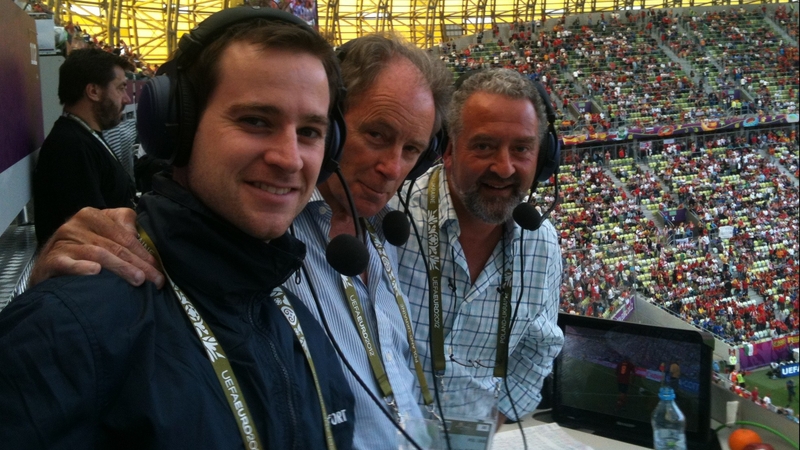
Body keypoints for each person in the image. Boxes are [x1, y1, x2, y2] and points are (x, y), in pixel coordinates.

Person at [27, 33, 453, 450]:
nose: (392, 168)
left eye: (412, 149)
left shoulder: (387, 230)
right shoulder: (254, 226)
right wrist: (57, 282)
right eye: (377, 134)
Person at [0, 10, 355, 449]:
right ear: (176, 127)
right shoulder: (66, 327)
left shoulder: (294, 318)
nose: (290, 158)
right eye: (255, 121)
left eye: (309, 131)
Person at [394, 68, 563, 426]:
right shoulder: (393, 221)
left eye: (522, 149)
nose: (504, 168)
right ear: (449, 149)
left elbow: (540, 345)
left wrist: (495, 421)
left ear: (543, 157)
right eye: (484, 146)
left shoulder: (542, 243)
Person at [33, 47, 137, 245]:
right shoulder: (69, 147)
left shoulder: (82, 136)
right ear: (93, 91)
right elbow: (93, 232)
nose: (126, 99)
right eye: (121, 88)